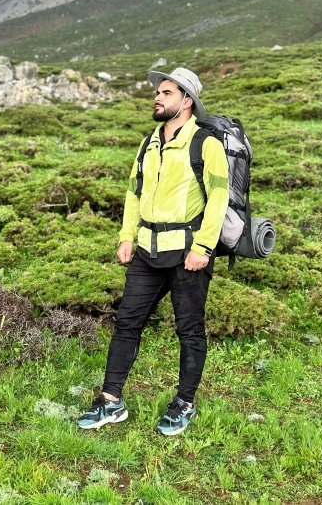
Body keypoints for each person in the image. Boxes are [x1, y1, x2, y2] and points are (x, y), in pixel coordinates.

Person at [77, 67, 229, 435]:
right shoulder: (149, 143)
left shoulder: (206, 144)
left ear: (186, 101)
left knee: (189, 330)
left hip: (187, 253)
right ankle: (111, 402)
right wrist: (126, 236)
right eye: (158, 93)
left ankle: (184, 404)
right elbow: (134, 192)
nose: (157, 98)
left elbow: (219, 198)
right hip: (146, 250)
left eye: (166, 93)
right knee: (127, 323)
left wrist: (204, 246)